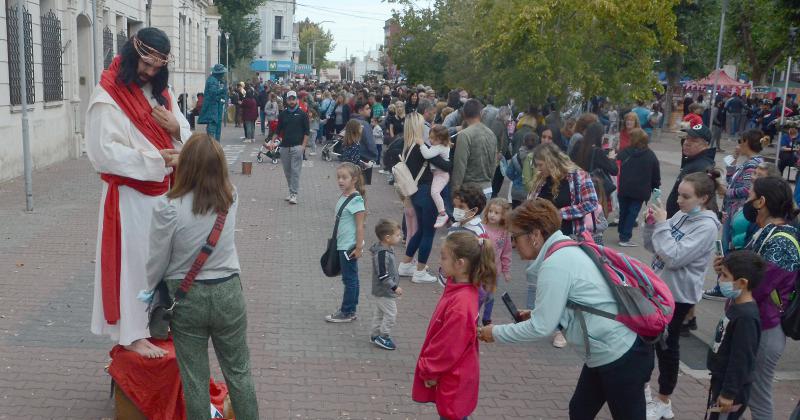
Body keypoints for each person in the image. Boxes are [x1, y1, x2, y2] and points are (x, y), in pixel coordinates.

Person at [479, 199, 655, 419]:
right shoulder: (566, 248)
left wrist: (494, 333)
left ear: (535, 235)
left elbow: (541, 328)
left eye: (515, 237)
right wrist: (537, 313)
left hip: (619, 354)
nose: (513, 244)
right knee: (580, 411)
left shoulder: (555, 263)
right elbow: (580, 301)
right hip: (608, 351)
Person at [87, 28, 189, 358]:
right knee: (132, 267)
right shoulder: (108, 96)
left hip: (163, 196)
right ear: (132, 56)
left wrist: (175, 129)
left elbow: (184, 132)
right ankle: (132, 334)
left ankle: (155, 324)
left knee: (157, 266)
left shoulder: (162, 93)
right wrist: (154, 160)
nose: (150, 72)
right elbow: (103, 153)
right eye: (146, 64)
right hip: (130, 198)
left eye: (157, 66)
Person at [145, 133, 258, 419]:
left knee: (194, 380)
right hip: (228, 292)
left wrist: (148, 291)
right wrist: (192, 155)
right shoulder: (231, 197)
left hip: (186, 297)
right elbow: (206, 161)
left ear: (187, 165)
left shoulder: (168, 207)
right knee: (239, 373)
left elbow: (157, 260)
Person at [642, 171, 722, 420]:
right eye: (678, 194)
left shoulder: (707, 227)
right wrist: (651, 224)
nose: (679, 201)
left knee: (667, 346)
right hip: (657, 287)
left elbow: (674, 257)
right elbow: (654, 248)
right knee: (646, 339)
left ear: (704, 198)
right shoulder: (680, 215)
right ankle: (644, 390)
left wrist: (663, 226)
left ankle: (664, 400)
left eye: (686, 197)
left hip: (677, 295)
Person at [732, 176, 800, 419]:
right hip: (755, 323)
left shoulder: (782, 242)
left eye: (750, 195)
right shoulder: (767, 232)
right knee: (738, 392)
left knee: (757, 398)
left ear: (761, 201)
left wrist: (732, 278)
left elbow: (758, 286)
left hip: (765, 327)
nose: (746, 201)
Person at [412, 232, 496, 420]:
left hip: (453, 376)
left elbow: (448, 345)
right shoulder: (461, 289)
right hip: (455, 373)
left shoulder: (460, 303)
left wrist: (429, 369)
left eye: (444, 257)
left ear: (460, 264)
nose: (440, 261)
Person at [706, 250, 765, 420]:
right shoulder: (737, 304)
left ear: (742, 283)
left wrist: (728, 393)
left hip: (731, 390)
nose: (720, 280)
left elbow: (742, 358)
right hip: (722, 380)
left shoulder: (746, 317)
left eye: (724, 276)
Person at [398, 114, 453, 284]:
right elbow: (447, 165)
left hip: (415, 193)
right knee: (428, 233)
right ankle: (420, 271)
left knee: (421, 231)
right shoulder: (421, 147)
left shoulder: (407, 147)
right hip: (428, 193)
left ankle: (406, 265)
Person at [325, 163, 367, 323]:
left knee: (349, 279)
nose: (340, 181)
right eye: (338, 177)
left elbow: (360, 226)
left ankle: (347, 311)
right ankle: (350, 309)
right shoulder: (345, 196)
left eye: (344, 178)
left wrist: (358, 247)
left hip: (348, 246)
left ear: (354, 179)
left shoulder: (356, 200)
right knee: (351, 278)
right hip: (342, 243)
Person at [616, 128, 661, 247]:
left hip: (624, 188)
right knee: (632, 213)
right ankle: (625, 238)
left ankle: (622, 233)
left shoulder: (624, 152)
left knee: (623, 211)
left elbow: (616, 165)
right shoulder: (650, 155)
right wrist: (656, 188)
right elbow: (655, 174)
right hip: (640, 191)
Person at [666, 125, 716, 217]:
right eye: (687, 138)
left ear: (706, 145)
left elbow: (706, 199)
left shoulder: (701, 167)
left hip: (685, 222)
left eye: (694, 140)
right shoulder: (693, 160)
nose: (687, 143)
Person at [369, 219, 404, 351]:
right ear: (387, 238)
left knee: (380, 313)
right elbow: (383, 275)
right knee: (391, 314)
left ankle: (375, 334)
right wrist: (395, 287)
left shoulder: (386, 249)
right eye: (397, 235)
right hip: (384, 291)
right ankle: (383, 336)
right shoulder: (382, 253)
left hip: (382, 291)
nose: (399, 237)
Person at [451, 99, 497, 197]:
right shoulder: (491, 134)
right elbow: (494, 162)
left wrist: (455, 189)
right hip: (487, 187)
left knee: (462, 213)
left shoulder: (464, 135)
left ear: (464, 114)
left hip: (468, 190)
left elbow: (460, 164)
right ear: (481, 113)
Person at [275, 90, 309, 205]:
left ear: (297, 100)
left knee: (295, 172)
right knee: (287, 172)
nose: (291, 101)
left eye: (293, 99)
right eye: (289, 99)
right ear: (286, 100)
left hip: (297, 147)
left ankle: (294, 194)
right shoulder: (283, 114)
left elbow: (307, 132)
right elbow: (278, 130)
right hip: (284, 147)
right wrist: (272, 141)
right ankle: (291, 191)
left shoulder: (302, 114)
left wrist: (303, 146)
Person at [481, 198, 512, 325]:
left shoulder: (505, 233)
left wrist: (506, 271)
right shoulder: (481, 228)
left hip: (494, 271)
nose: (492, 215)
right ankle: (474, 316)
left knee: (490, 296)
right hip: (479, 269)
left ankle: (487, 318)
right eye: (491, 211)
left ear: (504, 216)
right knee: (478, 295)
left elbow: (506, 253)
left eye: (496, 213)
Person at [420, 125, 452, 228]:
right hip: (439, 174)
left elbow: (427, 155)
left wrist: (421, 144)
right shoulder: (441, 146)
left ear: (440, 139)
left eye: (433, 138)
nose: (430, 140)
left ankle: (443, 213)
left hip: (441, 175)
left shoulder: (439, 147)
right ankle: (442, 213)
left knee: (434, 192)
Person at [505, 132, 538, 208]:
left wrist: (516, 178)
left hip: (517, 191)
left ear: (523, 142)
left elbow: (509, 172)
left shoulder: (516, 156)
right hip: (532, 192)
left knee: (516, 215)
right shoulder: (539, 157)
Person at [197, 64, 227, 141]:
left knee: (216, 126)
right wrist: (222, 90)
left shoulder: (216, 80)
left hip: (216, 107)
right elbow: (213, 93)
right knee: (212, 127)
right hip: (212, 108)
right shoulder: (212, 80)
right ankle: (212, 145)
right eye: (222, 73)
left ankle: (215, 144)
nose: (223, 75)